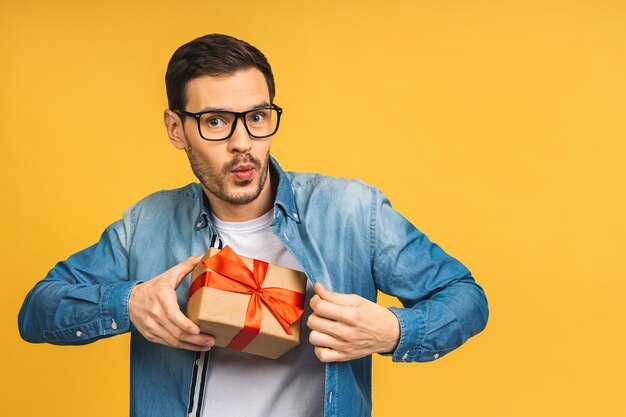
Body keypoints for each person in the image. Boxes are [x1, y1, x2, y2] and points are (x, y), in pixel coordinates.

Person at [18, 33, 489, 417]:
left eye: (258, 117)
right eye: (216, 121)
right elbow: (37, 310)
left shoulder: (351, 211)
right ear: (175, 128)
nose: (243, 142)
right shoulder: (146, 224)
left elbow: (466, 296)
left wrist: (394, 330)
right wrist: (131, 303)